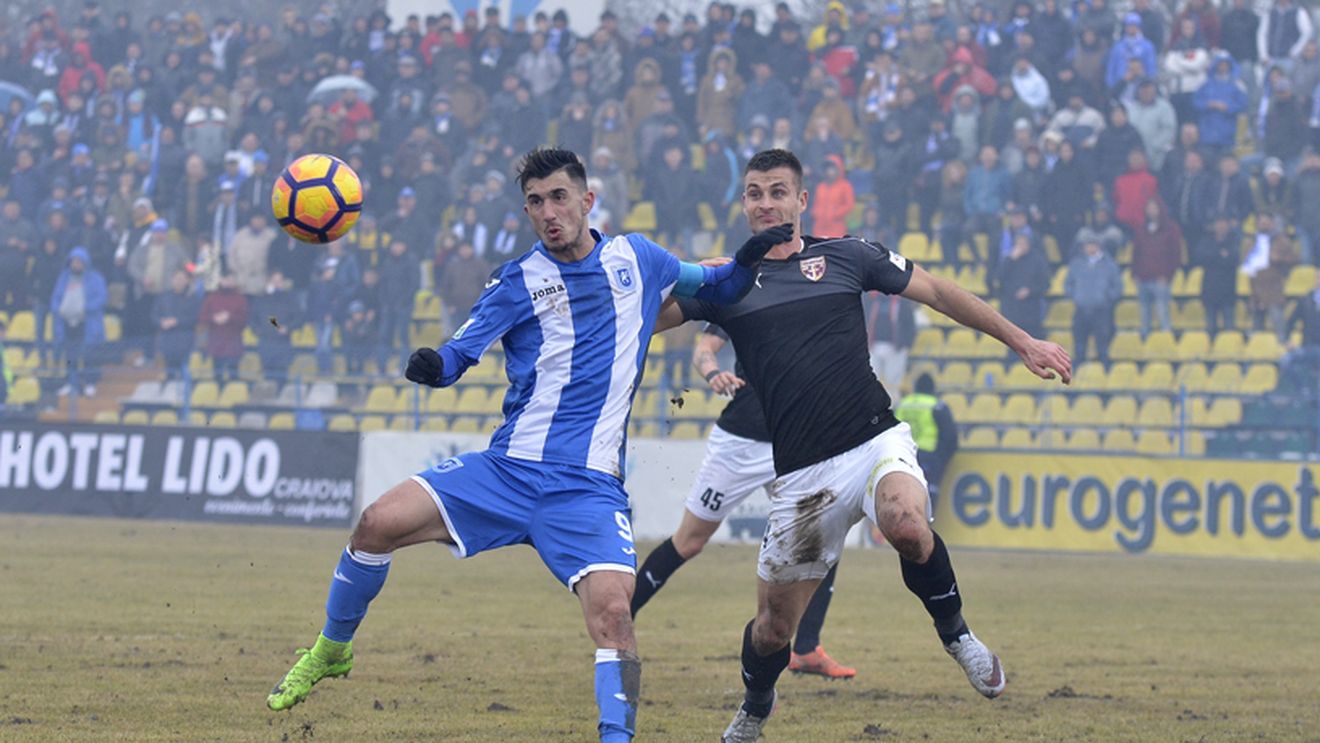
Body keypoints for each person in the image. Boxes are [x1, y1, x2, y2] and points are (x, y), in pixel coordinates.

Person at [265, 147, 789, 743]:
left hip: (586, 488)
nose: (548, 212)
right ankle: (332, 649)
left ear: (588, 202)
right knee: (376, 523)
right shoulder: (517, 280)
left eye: (559, 197)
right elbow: (462, 351)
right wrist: (435, 367)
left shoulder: (638, 258)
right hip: (507, 471)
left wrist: (748, 258)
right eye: (535, 203)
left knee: (616, 616)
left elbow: (718, 284)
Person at [655, 149, 1071, 742]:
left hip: (872, 438)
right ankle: (755, 705)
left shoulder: (847, 255)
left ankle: (958, 636)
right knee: (773, 630)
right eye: (754, 192)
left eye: (778, 190)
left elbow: (938, 292)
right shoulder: (725, 283)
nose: (766, 201)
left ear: (802, 201)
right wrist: (672, 277)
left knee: (906, 522)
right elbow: (645, 321)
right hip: (802, 476)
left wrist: (1021, 339)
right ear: (743, 204)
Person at [630, 327, 856, 679]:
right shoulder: (745, 285)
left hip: (792, 441)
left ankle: (807, 648)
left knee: (823, 536)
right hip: (738, 444)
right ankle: (620, 618)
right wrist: (712, 372)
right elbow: (705, 346)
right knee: (689, 542)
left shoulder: (814, 286)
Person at [894, 374, 960, 508]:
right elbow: (950, 437)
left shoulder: (901, 405)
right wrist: (941, 459)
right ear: (932, 389)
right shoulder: (937, 406)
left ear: (915, 388)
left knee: (899, 497)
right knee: (926, 497)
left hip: (901, 457)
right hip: (927, 458)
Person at [50, 246, 107, 397]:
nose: (76, 264)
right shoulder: (63, 278)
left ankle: (90, 383)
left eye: (79, 261)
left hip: (86, 324)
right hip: (67, 324)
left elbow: (101, 298)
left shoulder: (96, 278)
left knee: (88, 355)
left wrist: (84, 308)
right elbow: (55, 298)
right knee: (70, 357)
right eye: (74, 261)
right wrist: (58, 309)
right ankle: (71, 383)